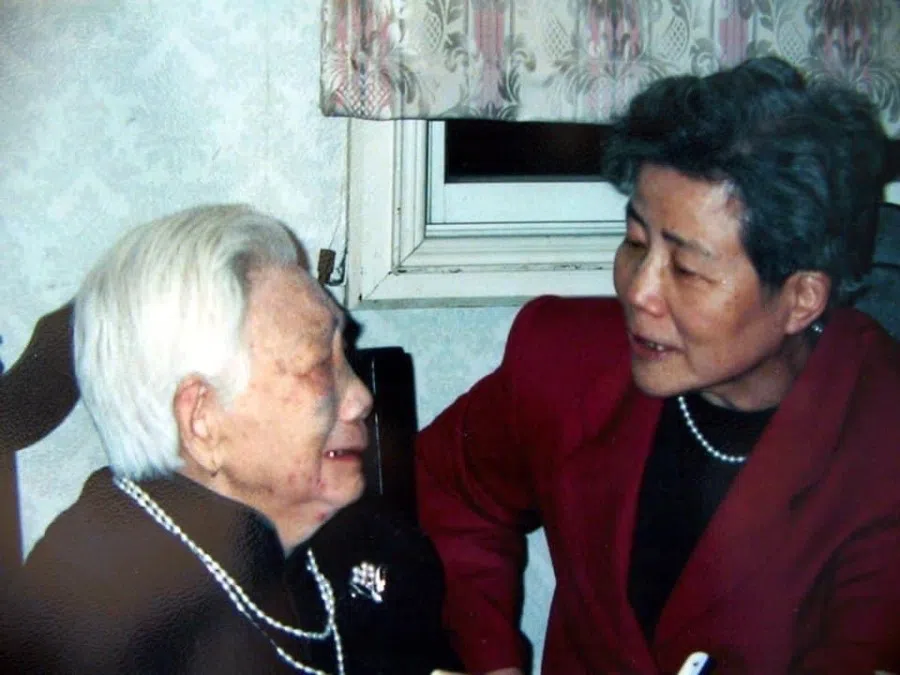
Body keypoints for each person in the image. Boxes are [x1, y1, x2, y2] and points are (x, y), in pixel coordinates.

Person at [416, 57, 900, 674]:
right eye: (636, 243)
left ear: (802, 298)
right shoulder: (566, 359)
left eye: (689, 270)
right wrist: (491, 660)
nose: (638, 292)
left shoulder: (883, 445)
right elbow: (451, 490)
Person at [2, 204, 460, 674]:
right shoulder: (85, 613)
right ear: (202, 421)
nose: (361, 398)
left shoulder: (369, 537)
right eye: (318, 366)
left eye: (344, 354)